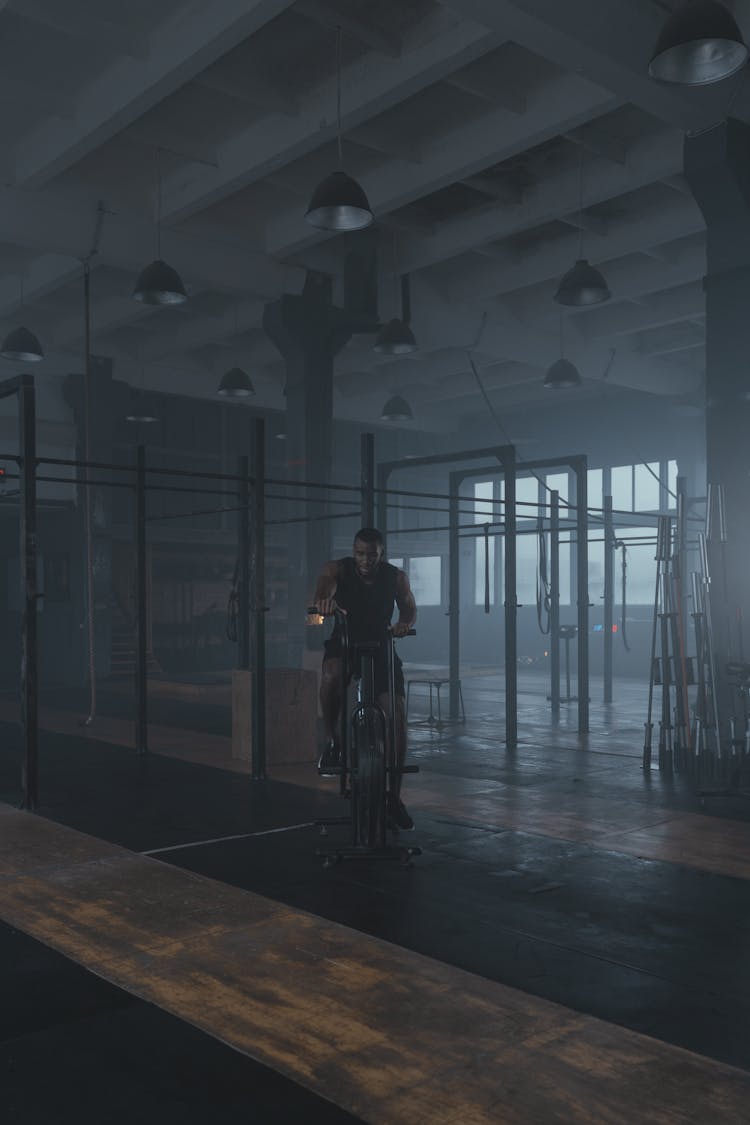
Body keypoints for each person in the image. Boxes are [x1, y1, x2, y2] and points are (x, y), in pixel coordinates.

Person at [311, 527, 417, 831]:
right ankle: (333, 742)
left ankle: (393, 797)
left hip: (382, 644)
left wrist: (403, 623)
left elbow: (409, 609)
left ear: (381, 553)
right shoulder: (338, 569)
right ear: (353, 551)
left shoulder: (396, 577)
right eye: (360, 553)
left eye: (372, 554)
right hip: (345, 641)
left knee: (396, 715)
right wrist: (324, 602)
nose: (366, 560)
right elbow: (323, 589)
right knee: (330, 675)